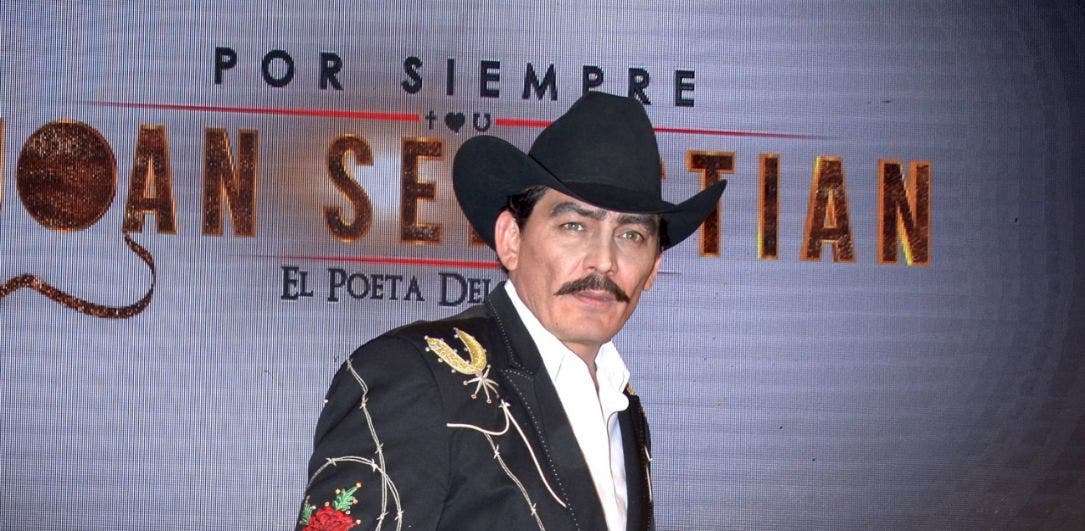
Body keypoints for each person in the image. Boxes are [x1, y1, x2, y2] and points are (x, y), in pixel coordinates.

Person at [296, 92, 726, 531]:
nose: (604, 261)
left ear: (653, 267)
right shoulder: (414, 373)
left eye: (631, 235)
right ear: (511, 240)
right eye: (574, 226)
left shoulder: (623, 405)